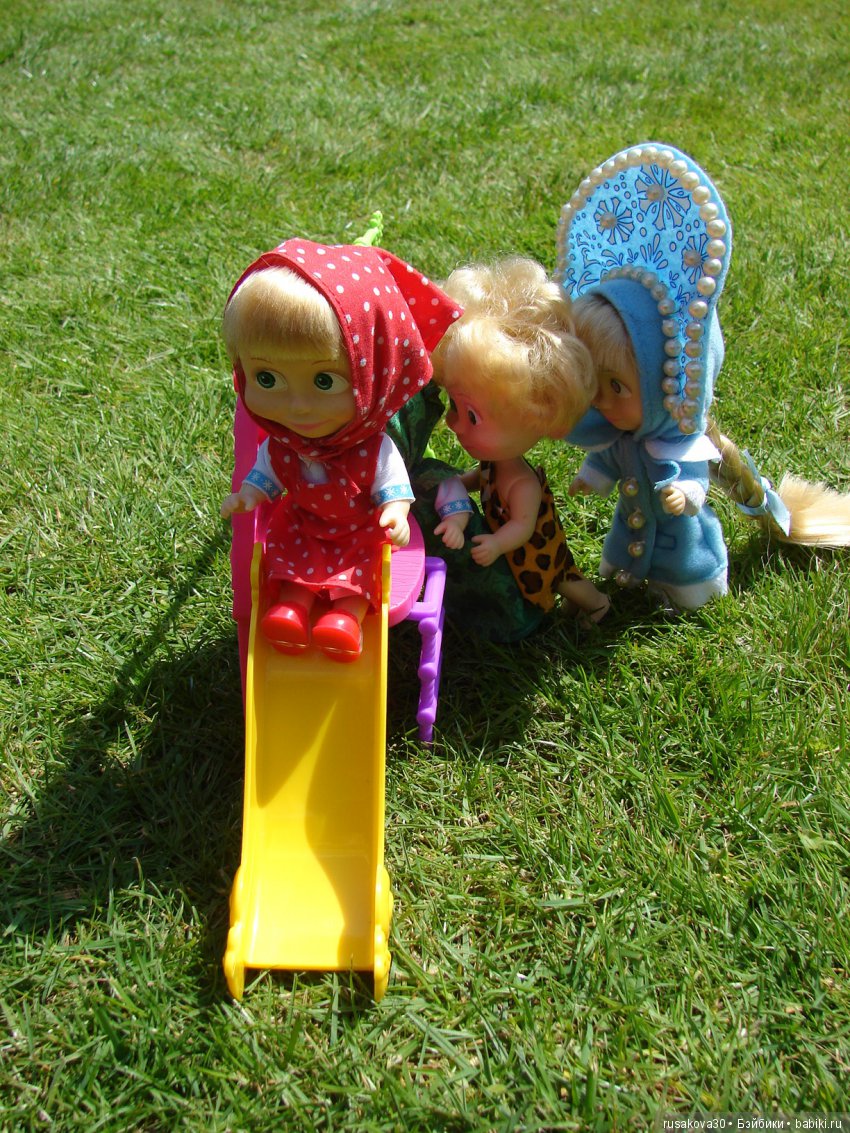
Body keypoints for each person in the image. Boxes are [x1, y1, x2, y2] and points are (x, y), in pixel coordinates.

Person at [220, 238, 460, 660]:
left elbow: (392, 485)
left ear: (375, 379)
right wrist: (250, 495)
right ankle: (292, 609)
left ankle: (345, 619)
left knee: (358, 574)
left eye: (324, 381)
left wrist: (395, 512)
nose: (298, 406)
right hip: (303, 526)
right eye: (267, 379)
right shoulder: (283, 446)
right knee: (292, 568)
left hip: (357, 533)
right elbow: (266, 474)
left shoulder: (373, 449)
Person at [429, 256, 611, 622]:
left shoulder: (522, 484)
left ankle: (598, 604)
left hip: (535, 552)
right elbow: (482, 478)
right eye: (454, 405)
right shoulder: (495, 464)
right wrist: (459, 481)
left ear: (534, 417)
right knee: (559, 581)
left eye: (472, 415)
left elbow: (523, 526)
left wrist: (498, 544)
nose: (453, 423)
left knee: (561, 578)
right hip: (517, 552)